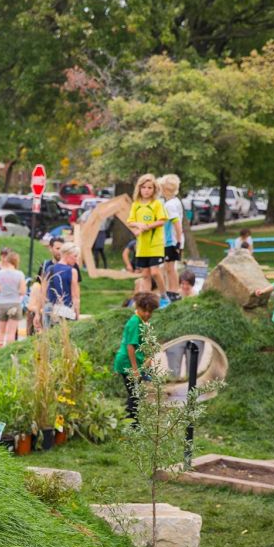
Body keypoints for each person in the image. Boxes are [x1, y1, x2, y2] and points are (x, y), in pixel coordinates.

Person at [114, 291, 160, 424]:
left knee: (134, 393)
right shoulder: (135, 322)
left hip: (134, 362)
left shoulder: (140, 321)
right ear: (137, 307)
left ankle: (127, 419)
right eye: (144, 310)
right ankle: (132, 423)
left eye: (150, 311)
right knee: (135, 394)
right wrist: (135, 370)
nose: (147, 314)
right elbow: (130, 347)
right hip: (127, 363)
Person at [126, 173, 167, 296]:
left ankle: (164, 296)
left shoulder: (157, 204)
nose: (146, 190)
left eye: (150, 187)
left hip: (155, 244)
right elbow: (130, 222)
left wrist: (147, 226)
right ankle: (147, 299)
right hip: (142, 245)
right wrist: (138, 225)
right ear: (139, 188)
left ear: (154, 189)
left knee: (155, 272)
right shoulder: (135, 205)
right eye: (144, 187)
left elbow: (162, 220)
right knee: (145, 274)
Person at [158, 174, 185, 301]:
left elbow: (177, 223)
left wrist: (178, 242)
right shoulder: (174, 201)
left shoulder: (170, 205)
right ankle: (171, 290)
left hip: (171, 241)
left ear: (165, 189)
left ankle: (173, 291)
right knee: (169, 267)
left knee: (170, 268)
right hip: (171, 241)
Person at [44, 243, 81, 326]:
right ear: (67, 255)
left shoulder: (50, 269)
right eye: (75, 256)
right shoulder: (72, 271)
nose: (76, 260)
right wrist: (77, 315)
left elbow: (44, 292)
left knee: (49, 336)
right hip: (65, 309)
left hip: (50, 308)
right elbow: (75, 296)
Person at [0, 251, 26, 346]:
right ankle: (8, 353)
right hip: (14, 303)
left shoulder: (0, 273)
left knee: (0, 331)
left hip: (2, 303)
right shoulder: (19, 274)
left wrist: (2, 289)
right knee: (11, 332)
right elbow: (22, 291)